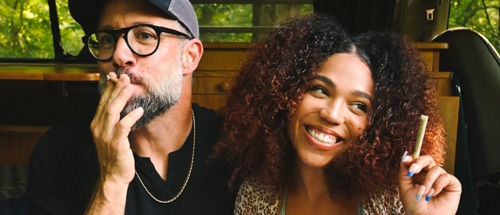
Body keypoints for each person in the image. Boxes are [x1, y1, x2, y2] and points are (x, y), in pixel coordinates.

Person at [214, 14, 462, 214]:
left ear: (377, 126)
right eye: (319, 90)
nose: (332, 115)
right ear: (282, 94)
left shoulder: (394, 201)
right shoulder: (256, 196)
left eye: (359, 106)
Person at [27, 0, 235, 214]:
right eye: (107, 39)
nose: (119, 55)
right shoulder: (59, 152)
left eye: (144, 35)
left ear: (189, 56)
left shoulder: (237, 146)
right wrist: (111, 181)